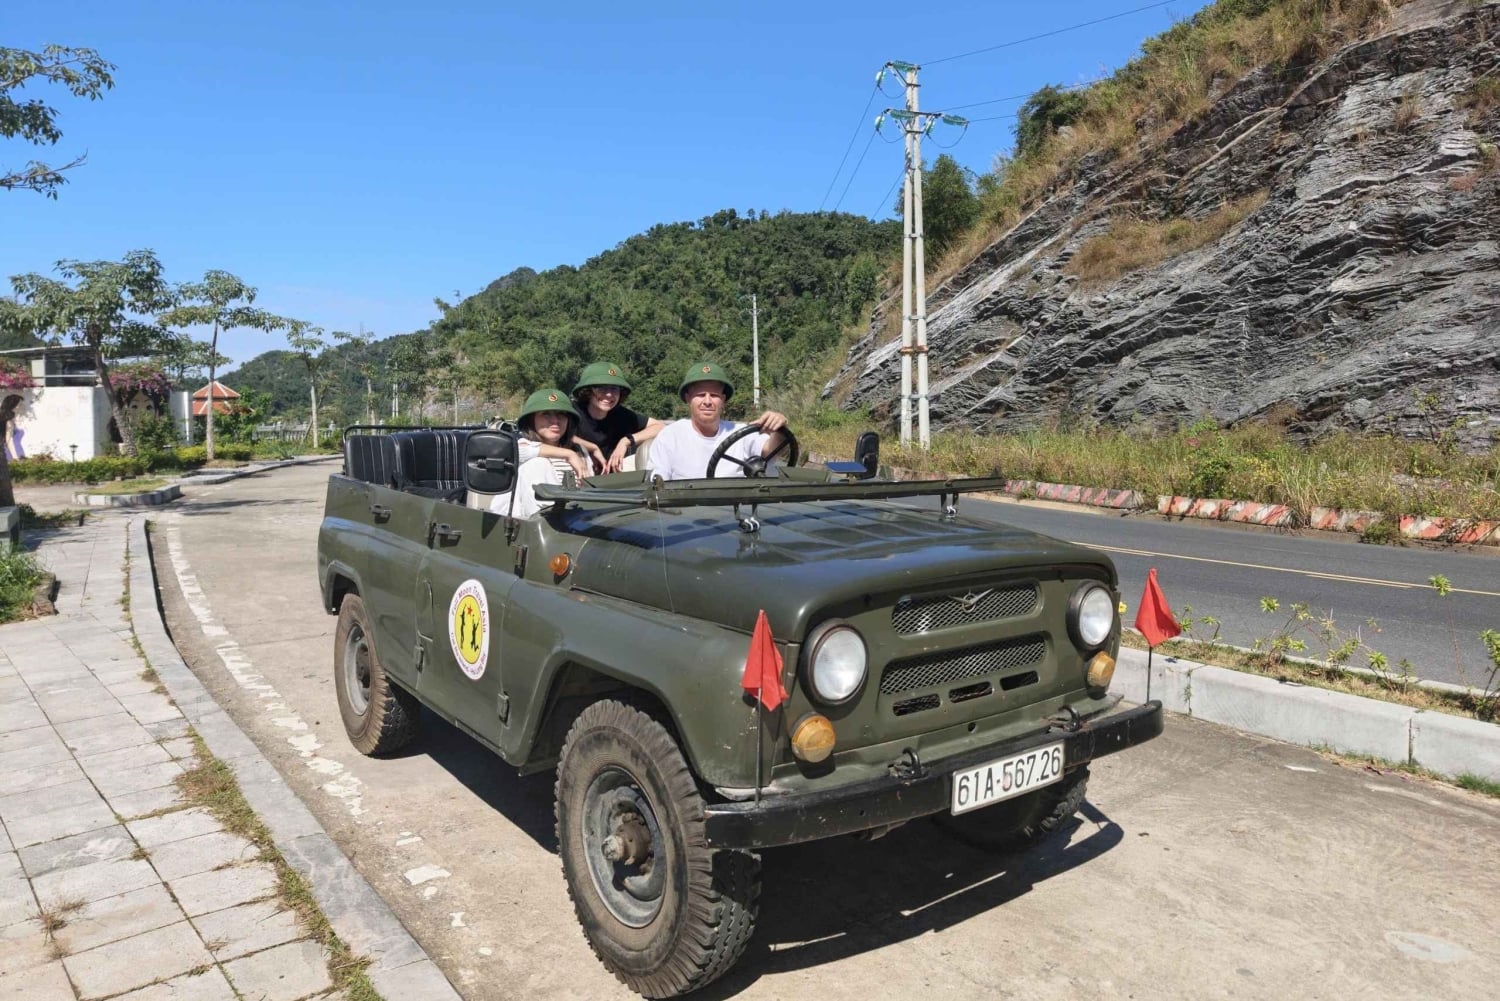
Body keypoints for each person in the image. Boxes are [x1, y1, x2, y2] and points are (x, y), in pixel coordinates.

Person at [647, 362, 789, 481]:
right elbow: (658, 485)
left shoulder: (740, 433)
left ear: (723, 400)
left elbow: (772, 451)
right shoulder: (670, 437)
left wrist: (778, 429)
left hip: (736, 509)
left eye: (714, 395)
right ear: (688, 398)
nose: (707, 401)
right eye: (701, 395)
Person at [486, 388, 589, 518]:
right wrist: (569, 455)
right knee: (537, 464)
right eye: (546, 414)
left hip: (574, 521)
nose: (555, 421)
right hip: (523, 526)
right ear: (531, 420)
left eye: (561, 414)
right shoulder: (520, 445)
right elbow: (517, 452)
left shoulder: (579, 451)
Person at [571, 362, 667, 473]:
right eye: (602, 388)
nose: (609, 394)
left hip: (613, 479)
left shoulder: (621, 415)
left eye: (614, 389)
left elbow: (660, 426)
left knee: (650, 447)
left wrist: (626, 441)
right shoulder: (572, 412)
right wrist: (592, 448)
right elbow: (553, 437)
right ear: (588, 391)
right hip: (579, 476)